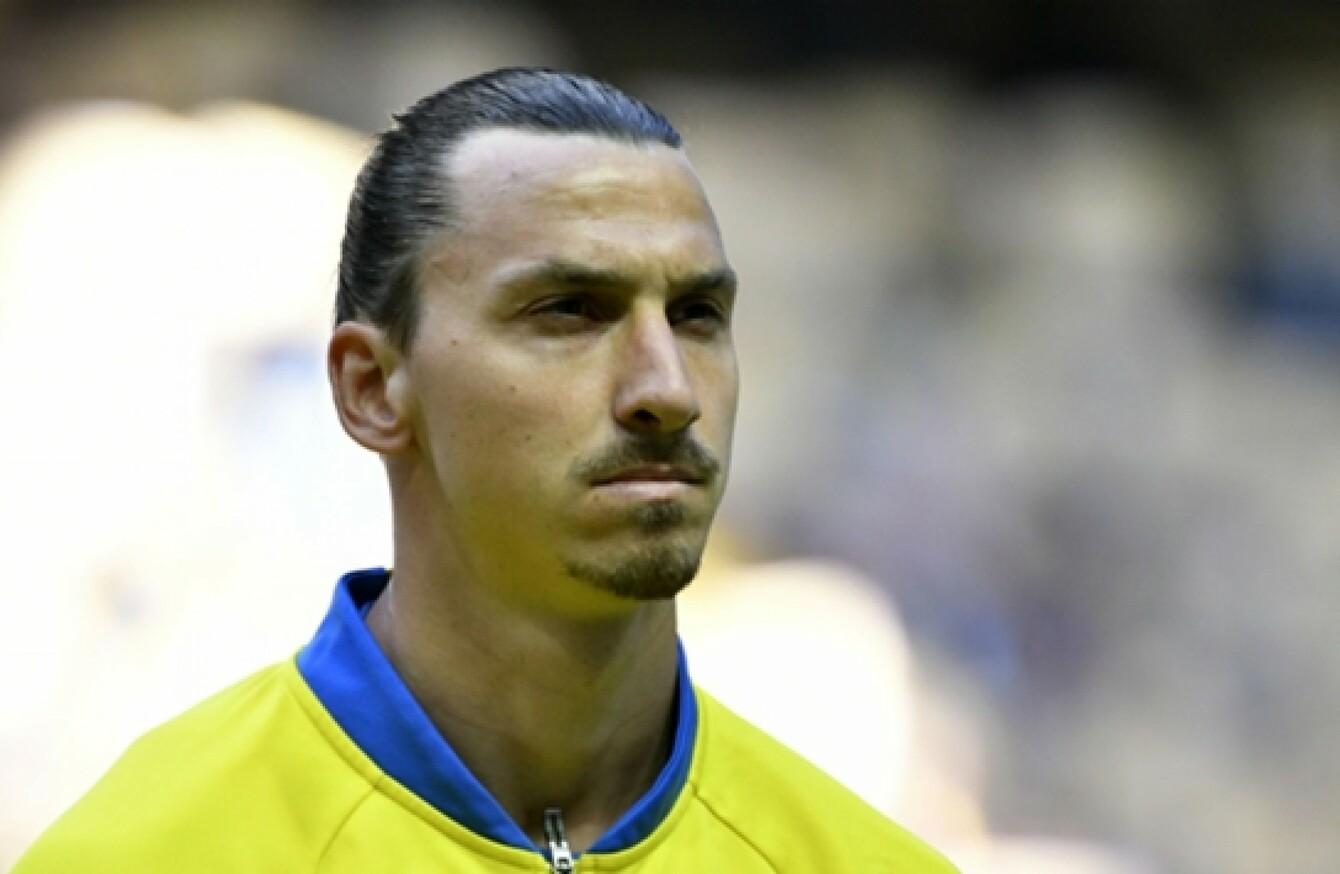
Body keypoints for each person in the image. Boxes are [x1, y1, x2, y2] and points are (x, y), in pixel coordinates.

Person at [14, 68, 956, 872]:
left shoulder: (858, 859)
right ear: (372, 388)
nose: (667, 389)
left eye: (696, 316)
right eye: (569, 311)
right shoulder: (150, 851)